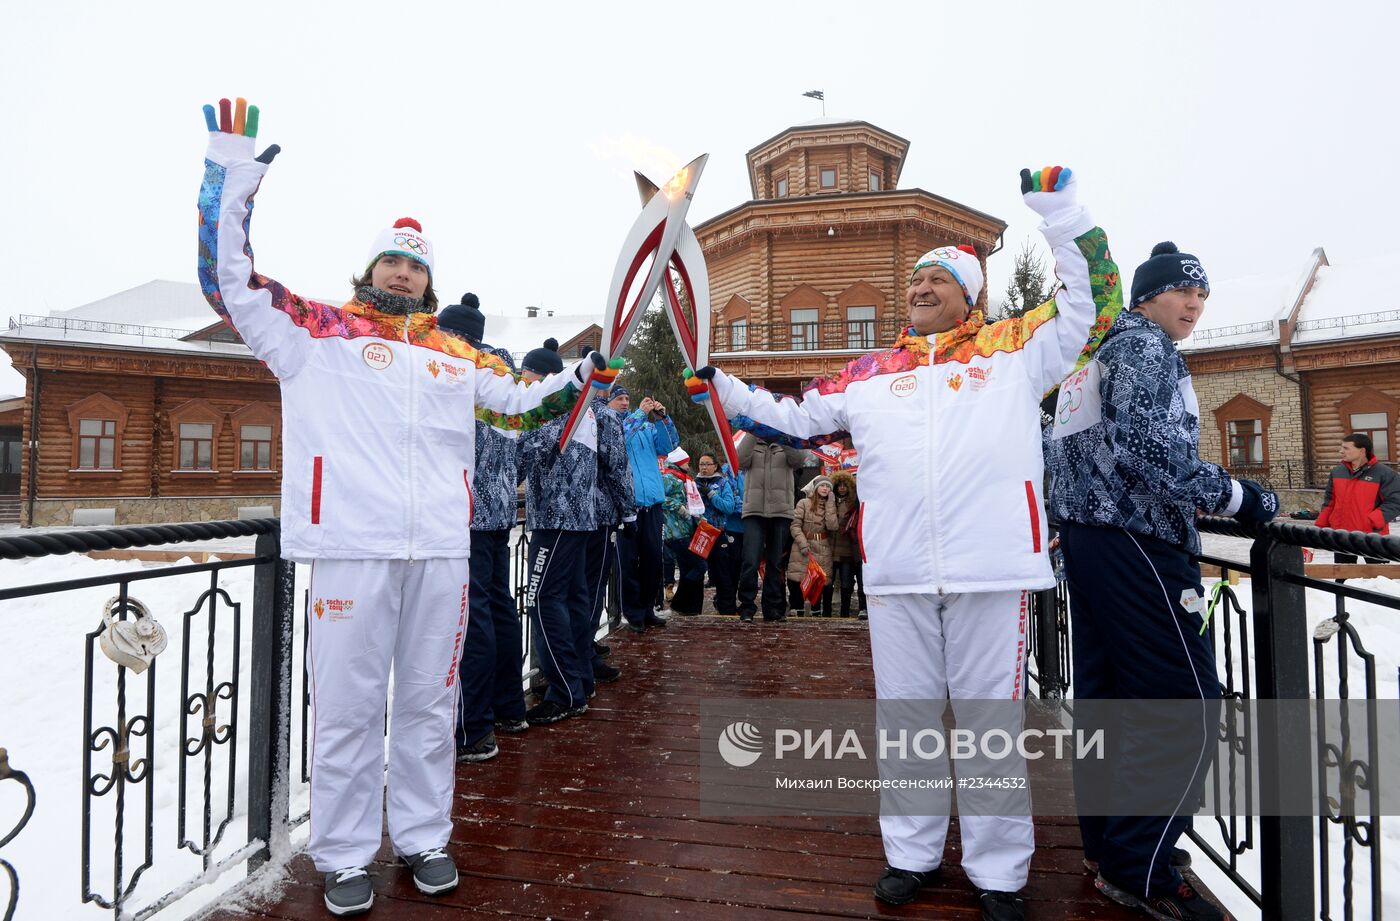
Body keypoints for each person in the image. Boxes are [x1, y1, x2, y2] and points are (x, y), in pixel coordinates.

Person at [197, 99, 609, 917]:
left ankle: (424, 835)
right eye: (392, 262)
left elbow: (523, 405)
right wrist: (228, 173)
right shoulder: (317, 331)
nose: (403, 274)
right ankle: (346, 851)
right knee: (349, 709)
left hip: (442, 554)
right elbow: (227, 281)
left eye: (415, 266)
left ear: (430, 278)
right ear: (372, 269)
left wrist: (579, 375)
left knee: (428, 703)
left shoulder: (457, 356)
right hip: (352, 545)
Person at [691, 166, 1122, 920]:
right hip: (897, 571)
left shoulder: (1014, 350)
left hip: (991, 565)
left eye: (939, 278)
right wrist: (719, 387)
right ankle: (913, 853)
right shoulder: (869, 373)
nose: (921, 286)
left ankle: (998, 871)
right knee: (909, 717)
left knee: (990, 719)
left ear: (971, 295)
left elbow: (1095, 305)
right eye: (916, 278)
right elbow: (787, 416)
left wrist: (1060, 214)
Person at [1046, 240, 1278, 921]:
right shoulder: (1146, 350)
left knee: (1109, 704)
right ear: (1147, 295)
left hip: (1090, 546)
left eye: (1202, 295)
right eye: (1183, 291)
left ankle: (1112, 845)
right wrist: (1243, 497)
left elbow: (1058, 450)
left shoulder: (1091, 356)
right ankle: (1143, 866)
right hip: (1141, 541)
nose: (1196, 303)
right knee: (1186, 706)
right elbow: (1155, 453)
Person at [437, 295, 528, 763]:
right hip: (497, 512)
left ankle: (474, 729)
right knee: (497, 610)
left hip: (461, 513)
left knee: (470, 620)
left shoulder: (456, 370)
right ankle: (509, 709)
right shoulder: (503, 378)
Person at [518, 339, 605, 726]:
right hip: (580, 519)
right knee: (572, 599)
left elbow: (523, 455)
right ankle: (580, 680)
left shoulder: (553, 408)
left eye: (526, 378)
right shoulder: (583, 408)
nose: (522, 386)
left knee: (542, 601)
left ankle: (564, 691)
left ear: (543, 378)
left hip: (556, 519)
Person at [616, 394, 679, 632]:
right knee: (629, 561)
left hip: (652, 501)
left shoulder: (645, 426)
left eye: (626, 399)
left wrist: (662, 418)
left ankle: (648, 608)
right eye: (619, 398)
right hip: (628, 505)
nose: (624, 402)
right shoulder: (618, 424)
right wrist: (640, 413)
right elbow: (620, 439)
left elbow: (669, 445)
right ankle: (632, 613)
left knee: (653, 559)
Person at [585, 387, 635, 678]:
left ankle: (580, 652)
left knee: (576, 587)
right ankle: (585, 655)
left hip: (570, 516)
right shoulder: (605, 415)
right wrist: (629, 512)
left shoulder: (566, 409)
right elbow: (617, 467)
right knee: (591, 587)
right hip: (601, 513)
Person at [737, 434, 809, 622]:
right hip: (754, 510)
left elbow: (799, 460)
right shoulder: (753, 443)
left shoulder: (785, 443)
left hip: (780, 511)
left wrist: (783, 435)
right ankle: (746, 607)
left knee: (775, 562)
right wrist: (753, 431)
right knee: (750, 560)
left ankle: (773, 608)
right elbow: (739, 460)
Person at [1317, 433, 1400, 564]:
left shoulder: (1384, 473)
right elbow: (1330, 501)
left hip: (1373, 536)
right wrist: (1321, 525)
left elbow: (1396, 501)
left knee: (1378, 580)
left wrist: (1372, 521)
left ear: (1362, 451)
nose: (1341, 451)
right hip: (1341, 535)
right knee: (1342, 579)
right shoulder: (1337, 472)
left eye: (1346, 448)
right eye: (1341, 448)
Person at [695, 452, 744, 616]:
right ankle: (692, 608)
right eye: (701, 464)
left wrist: (711, 494)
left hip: (718, 532)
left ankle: (726, 608)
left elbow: (728, 507)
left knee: (723, 573)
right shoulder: (693, 483)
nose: (704, 467)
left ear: (715, 466)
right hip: (699, 533)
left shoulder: (723, 483)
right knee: (697, 571)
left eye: (707, 464)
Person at [661, 447, 707, 615]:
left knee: (689, 567)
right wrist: (678, 507)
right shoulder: (668, 477)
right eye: (686, 462)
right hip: (676, 531)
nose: (689, 465)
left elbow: (692, 503)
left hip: (688, 530)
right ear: (680, 463)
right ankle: (680, 602)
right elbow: (661, 497)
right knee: (700, 566)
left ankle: (690, 608)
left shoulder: (685, 480)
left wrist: (699, 518)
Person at [787, 475, 839, 616]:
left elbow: (832, 526)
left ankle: (816, 613)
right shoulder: (804, 502)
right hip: (803, 545)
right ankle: (798, 611)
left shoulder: (832, 505)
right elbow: (795, 525)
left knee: (819, 582)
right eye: (822, 485)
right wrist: (802, 543)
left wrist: (830, 504)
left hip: (823, 547)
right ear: (816, 487)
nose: (825, 488)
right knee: (798, 579)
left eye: (828, 486)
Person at [829, 469, 861, 618]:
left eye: (845, 485)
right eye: (839, 485)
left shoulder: (853, 504)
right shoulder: (829, 502)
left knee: (847, 584)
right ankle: (826, 612)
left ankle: (845, 612)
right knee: (827, 584)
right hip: (829, 550)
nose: (842, 488)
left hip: (847, 550)